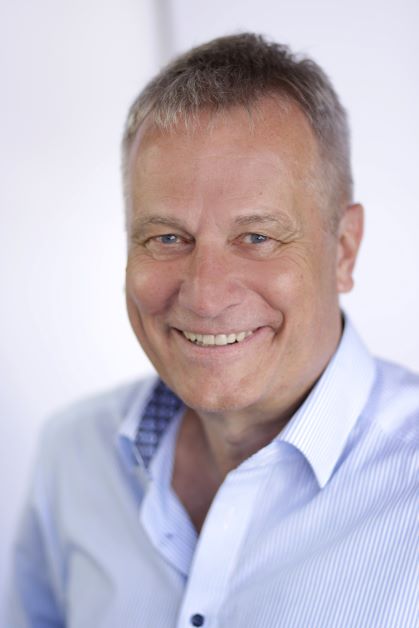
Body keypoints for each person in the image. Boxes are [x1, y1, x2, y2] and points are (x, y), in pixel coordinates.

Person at [5, 33, 418, 628]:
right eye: (167, 237)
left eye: (257, 237)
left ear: (344, 250)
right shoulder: (72, 457)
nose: (205, 294)